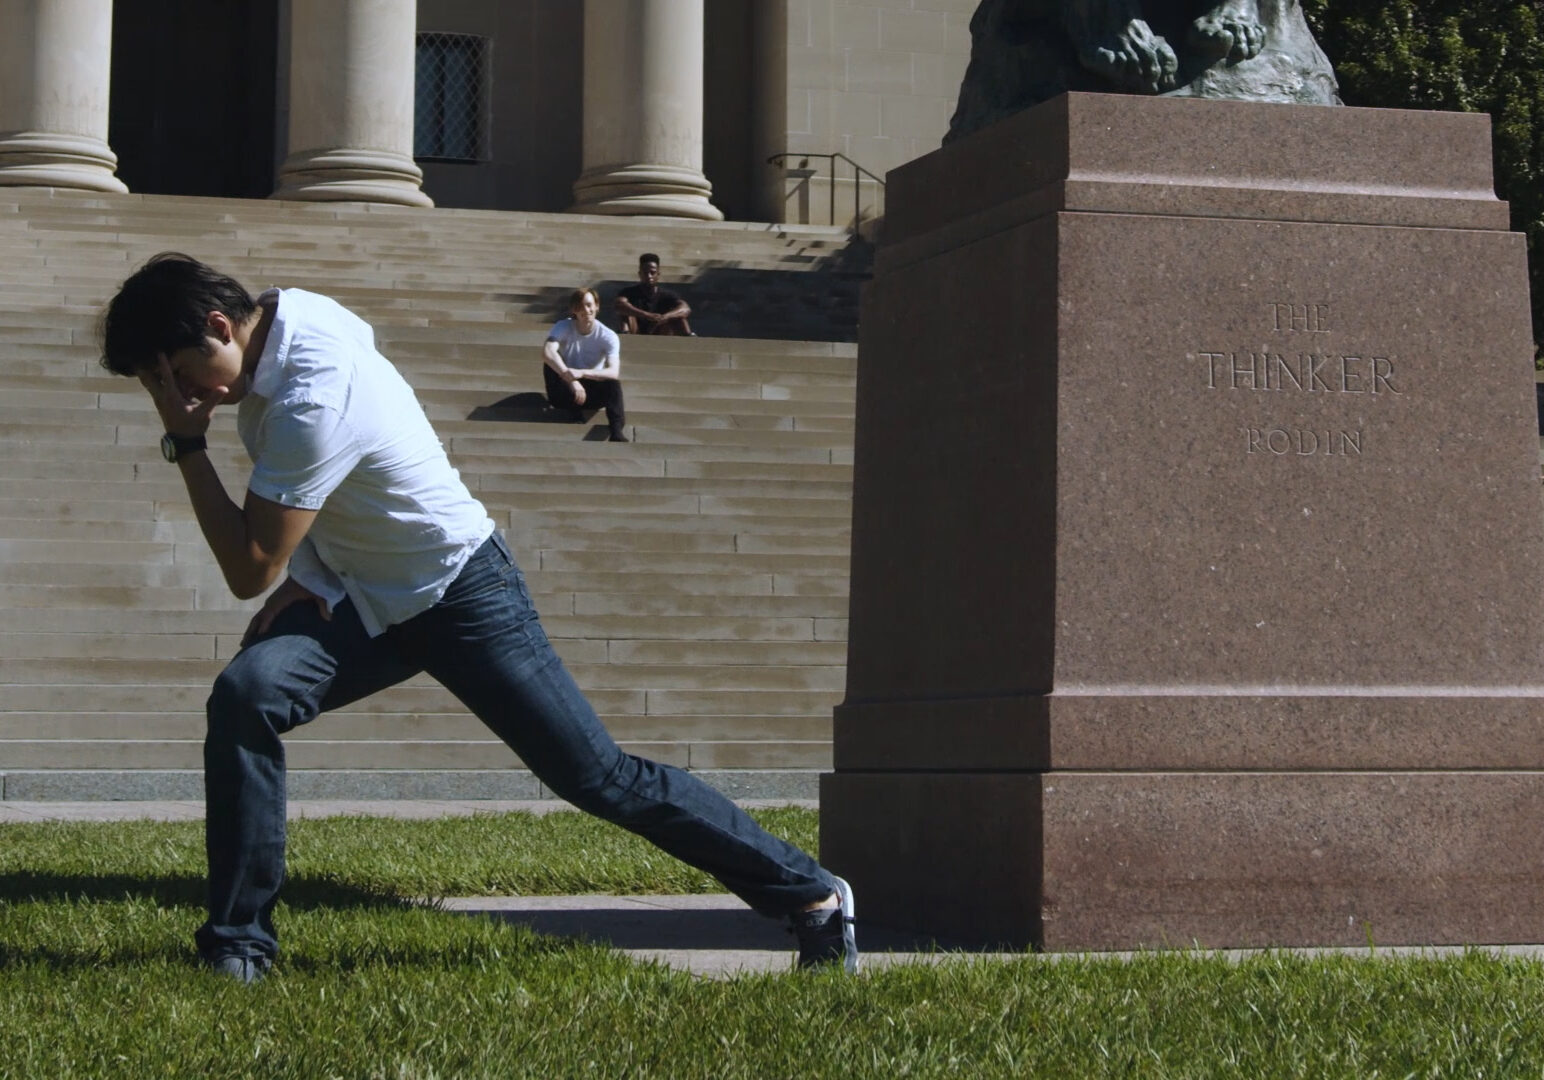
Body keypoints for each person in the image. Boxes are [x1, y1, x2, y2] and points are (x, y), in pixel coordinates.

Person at [98, 253, 857, 983]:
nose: (182, 396)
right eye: (163, 389)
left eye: (174, 378)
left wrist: (187, 442)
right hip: (362, 599)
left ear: (219, 328)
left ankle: (813, 895)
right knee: (247, 694)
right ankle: (238, 944)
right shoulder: (293, 316)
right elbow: (343, 492)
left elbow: (246, 568)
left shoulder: (309, 391)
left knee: (600, 778)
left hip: (461, 591)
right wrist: (311, 572)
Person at [543, 287, 629, 443]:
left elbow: (613, 372)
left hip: (591, 390)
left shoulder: (608, 336)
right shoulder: (563, 326)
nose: (586, 310)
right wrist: (572, 381)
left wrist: (581, 373)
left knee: (613, 385)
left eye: (589, 305)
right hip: (563, 390)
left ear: (597, 306)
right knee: (550, 363)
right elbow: (547, 352)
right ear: (573, 310)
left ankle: (616, 432)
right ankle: (574, 414)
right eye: (580, 306)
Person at [614, 253, 694, 336]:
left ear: (658, 274)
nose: (649, 276)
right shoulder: (628, 292)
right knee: (625, 314)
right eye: (645, 273)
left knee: (679, 318)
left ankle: (689, 341)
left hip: (661, 331)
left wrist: (664, 317)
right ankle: (625, 336)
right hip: (635, 331)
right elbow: (619, 305)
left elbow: (685, 309)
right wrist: (646, 315)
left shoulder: (668, 295)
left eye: (652, 273)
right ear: (640, 274)